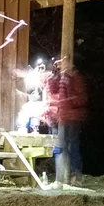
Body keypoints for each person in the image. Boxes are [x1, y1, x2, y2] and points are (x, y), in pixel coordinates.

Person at [43, 55, 86, 185]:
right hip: (57, 118)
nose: (58, 65)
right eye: (56, 63)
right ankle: (60, 178)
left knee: (71, 147)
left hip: (71, 118)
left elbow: (81, 99)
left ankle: (75, 177)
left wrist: (68, 96)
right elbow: (51, 96)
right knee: (58, 148)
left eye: (60, 62)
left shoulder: (75, 77)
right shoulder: (53, 79)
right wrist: (48, 112)